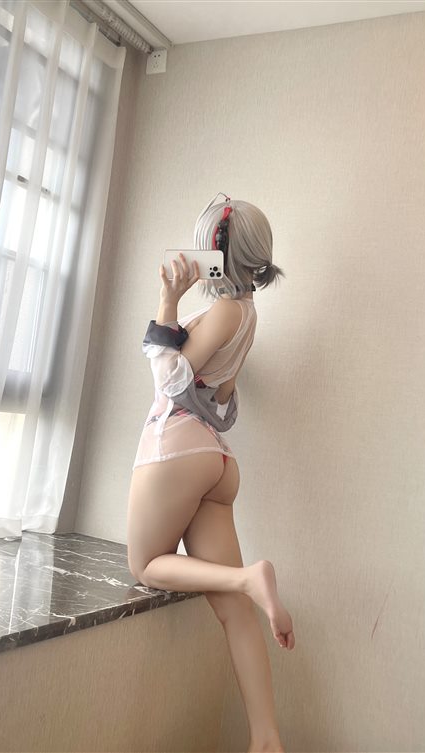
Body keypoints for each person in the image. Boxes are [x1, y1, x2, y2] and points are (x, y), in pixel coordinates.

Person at [126, 193, 295, 753]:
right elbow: (222, 401)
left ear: (218, 254)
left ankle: (250, 578)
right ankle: (266, 737)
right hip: (215, 461)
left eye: (204, 249)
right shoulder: (246, 314)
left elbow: (170, 382)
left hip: (179, 448)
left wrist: (168, 300)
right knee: (235, 613)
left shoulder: (222, 312)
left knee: (145, 565)